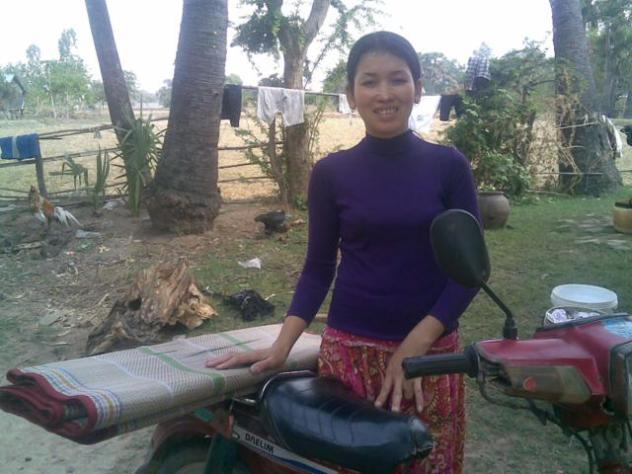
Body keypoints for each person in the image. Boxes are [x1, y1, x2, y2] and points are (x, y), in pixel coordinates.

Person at [207, 31, 480, 474]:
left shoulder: (449, 166)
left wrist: (415, 345)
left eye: (397, 79)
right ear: (351, 95)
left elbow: (468, 273)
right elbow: (318, 269)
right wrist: (280, 347)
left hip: (428, 359)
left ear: (418, 89)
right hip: (349, 358)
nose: (384, 93)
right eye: (369, 81)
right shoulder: (331, 173)